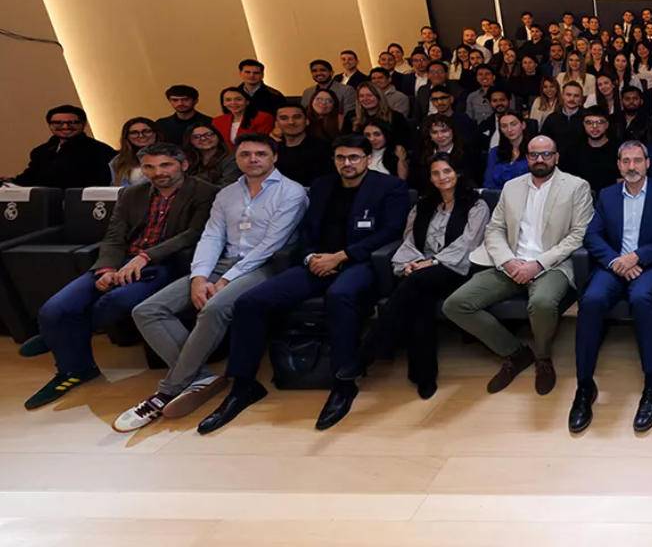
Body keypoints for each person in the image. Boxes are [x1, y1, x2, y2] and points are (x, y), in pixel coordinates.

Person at [196, 134, 409, 434]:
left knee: (340, 296)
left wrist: (341, 256)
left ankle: (343, 383)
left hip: (359, 262)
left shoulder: (390, 187)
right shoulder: (322, 186)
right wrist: (310, 257)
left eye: (354, 157)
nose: (347, 163)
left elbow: (390, 231)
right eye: (341, 158)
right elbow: (306, 232)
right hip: (316, 262)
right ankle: (243, 385)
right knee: (250, 302)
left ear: (368, 159)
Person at [119, 135, 307, 432]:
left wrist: (226, 280)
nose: (253, 159)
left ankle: (168, 389)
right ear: (237, 159)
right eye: (245, 154)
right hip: (222, 262)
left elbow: (271, 245)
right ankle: (200, 376)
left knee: (214, 307)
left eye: (261, 154)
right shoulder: (227, 194)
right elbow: (212, 237)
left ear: (274, 158)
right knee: (147, 310)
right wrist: (199, 277)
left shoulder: (291, 192)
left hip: (267, 266)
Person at [23, 143, 218, 411]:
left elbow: (192, 235)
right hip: (122, 261)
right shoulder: (131, 194)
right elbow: (114, 235)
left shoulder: (206, 192)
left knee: (117, 300)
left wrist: (146, 256)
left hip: (167, 263)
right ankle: (76, 369)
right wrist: (107, 268)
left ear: (183, 165)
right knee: (53, 310)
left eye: (166, 165)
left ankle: (64, 334)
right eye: (150, 167)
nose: (158, 172)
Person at [438, 135, 593, 400]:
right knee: (455, 305)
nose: (540, 159)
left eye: (546, 154)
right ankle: (516, 353)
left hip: (551, 265)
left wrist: (538, 264)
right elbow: (494, 229)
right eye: (534, 155)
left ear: (556, 157)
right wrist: (508, 261)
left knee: (542, 303)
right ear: (526, 158)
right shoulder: (511, 187)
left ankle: (543, 357)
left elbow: (578, 235)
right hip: (510, 263)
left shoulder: (576, 186)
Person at [341, 153, 490, 400]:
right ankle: (424, 376)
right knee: (419, 300)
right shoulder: (423, 205)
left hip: (456, 268)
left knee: (415, 284)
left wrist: (430, 262)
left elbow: (468, 244)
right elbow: (409, 240)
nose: (442, 177)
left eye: (447, 171)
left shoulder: (476, 205)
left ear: (458, 173)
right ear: (430, 178)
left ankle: (366, 354)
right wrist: (409, 264)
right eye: (435, 173)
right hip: (422, 270)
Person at [572, 141, 652, 434]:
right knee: (591, 300)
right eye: (626, 161)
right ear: (619, 164)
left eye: (637, 160)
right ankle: (584, 387)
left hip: (650, 265)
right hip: (614, 265)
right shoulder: (607, 195)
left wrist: (638, 257)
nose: (632, 166)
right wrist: (615, 261)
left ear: (648, 163)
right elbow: (592, 236)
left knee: (642, 299)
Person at [270, 103, 332, 186]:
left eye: (297, 117)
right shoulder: (271, 149)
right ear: (276, 124)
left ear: (307, 121)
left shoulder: (324, 148)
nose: (291, 122)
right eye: (284, 118)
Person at [574, 106, 622, 191]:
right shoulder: (573, 150)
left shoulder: (619, 150)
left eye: (600, 122)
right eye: (589, 122)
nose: (594, 126)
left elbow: (622, 182)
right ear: (583, 124)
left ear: (607, 125)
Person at [482, 111, 532, 189]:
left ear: (523, 125)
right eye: (504, 126)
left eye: (513, 124)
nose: (509, 129)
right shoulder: (494, 152)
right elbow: (488, 182)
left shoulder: (533, 151)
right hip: (498, 194)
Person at [109, 118, 160, 187]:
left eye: (146, 131)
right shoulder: (118, 161)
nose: (141, 136)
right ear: (127, 137)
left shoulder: (170, 156)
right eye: (134, 133)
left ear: (155, 133)